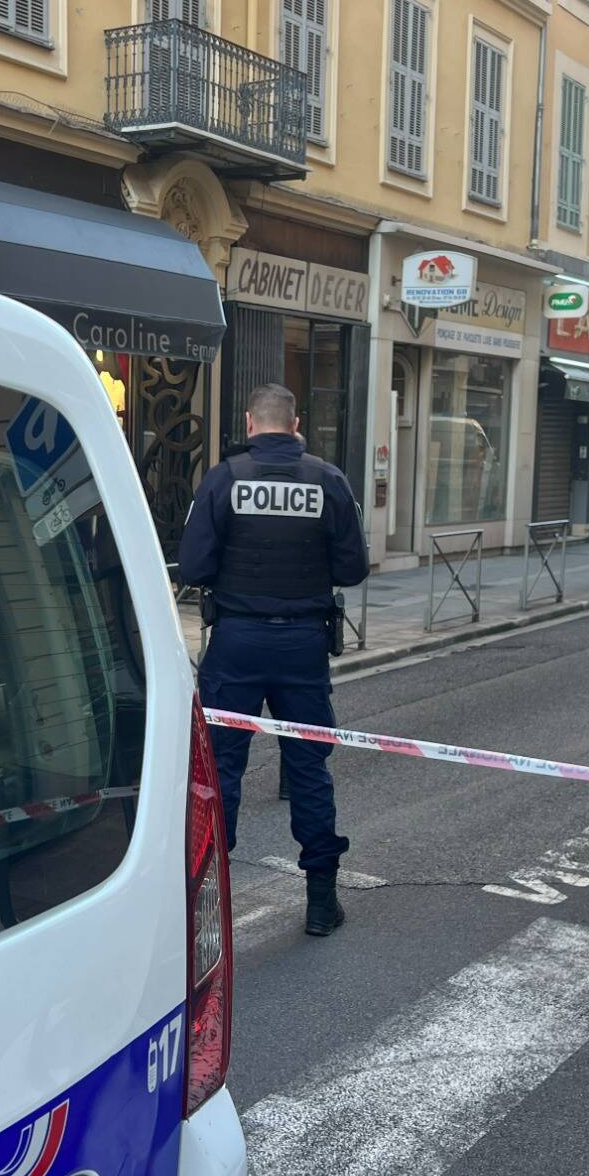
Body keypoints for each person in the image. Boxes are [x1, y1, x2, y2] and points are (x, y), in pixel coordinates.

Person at [177, 385, 369, 936]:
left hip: (236, 641)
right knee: (308, 769)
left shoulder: (223, 479)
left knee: (221, 771)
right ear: (296, 424)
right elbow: (352, 568)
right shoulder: (328, 480)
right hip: (303, 646)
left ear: (249, 422)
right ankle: (320, 902)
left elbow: (193, 567)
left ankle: (206, 905)